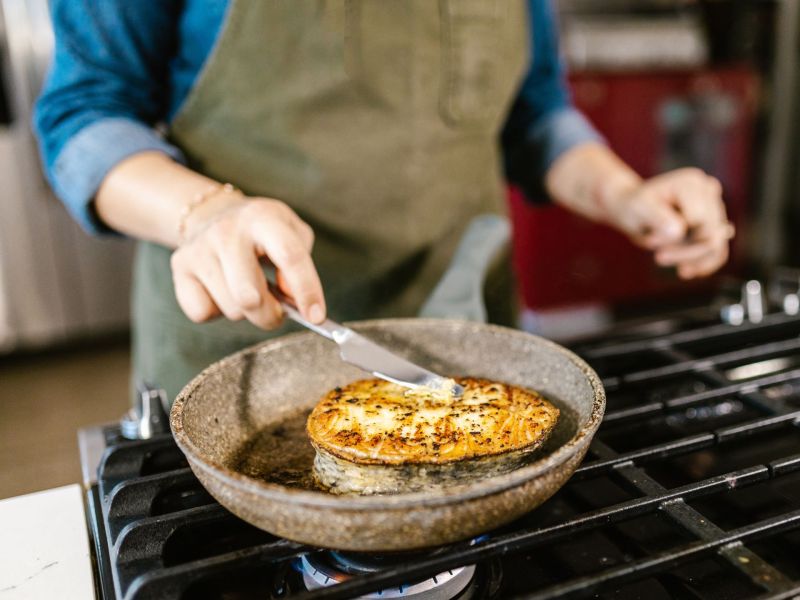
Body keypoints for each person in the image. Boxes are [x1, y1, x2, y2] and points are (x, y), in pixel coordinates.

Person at [34, 0, 734, 402]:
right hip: (245, 349)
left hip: (464, 338)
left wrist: (627, 195)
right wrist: (204, 212)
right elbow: (84, 114)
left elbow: (535, 111)